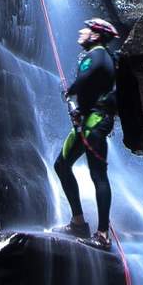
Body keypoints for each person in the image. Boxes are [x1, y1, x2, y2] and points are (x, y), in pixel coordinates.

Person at [51, 17, 120, 250]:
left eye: (87, 29)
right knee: (61, 165)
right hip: (87, 120)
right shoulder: (102, 56)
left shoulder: (97, 54)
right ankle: (78, 223)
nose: (81, 31)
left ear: (96, 35)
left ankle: (102, 235)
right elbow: (90, 86)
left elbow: (84, 80)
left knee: (98, 175)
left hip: (96, 121)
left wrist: (70, 91)